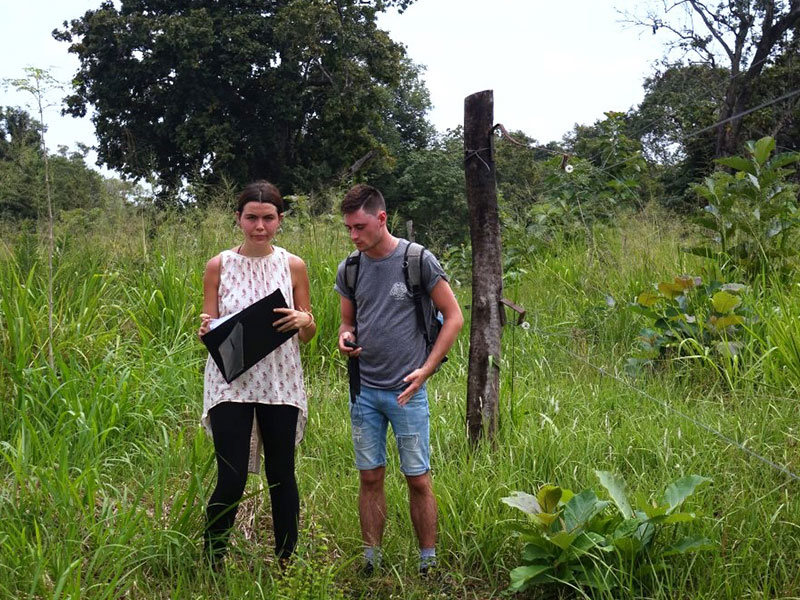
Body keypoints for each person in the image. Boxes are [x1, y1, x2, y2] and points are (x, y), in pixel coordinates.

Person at [334, 184, 463, 575]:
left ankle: (428, 563)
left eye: (359, 226)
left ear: (381, 218)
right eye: (349, 229)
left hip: (407, 392)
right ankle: (370, 560)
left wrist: (426, 369)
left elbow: (454, 316)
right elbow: (346, 321)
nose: (354, 236)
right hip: (365, 391)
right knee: (370, 477)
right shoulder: (350, 268)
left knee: (418, 479)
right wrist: (345, 337)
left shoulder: (416, 259)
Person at [198, 180, 316, 568]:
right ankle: (213, 561)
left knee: (281, 473)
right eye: (252, 217)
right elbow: (210, 324)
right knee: (231, 476)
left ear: (280, 220)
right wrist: (206, 329)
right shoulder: (218, 265)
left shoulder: (293, 265)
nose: (259, 226)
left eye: (268, 218)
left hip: (280, 380)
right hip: (230, 382)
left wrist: (305, 319)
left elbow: (308, 332)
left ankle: (286, 562)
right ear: (238, 219)